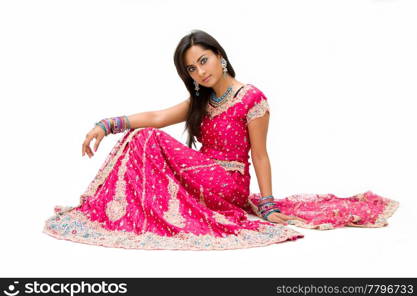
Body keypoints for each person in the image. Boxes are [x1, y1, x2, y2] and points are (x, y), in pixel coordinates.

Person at [43, 30, 398, 250]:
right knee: (143, 134)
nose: (201, 71)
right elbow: (155, 116)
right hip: (202, 173)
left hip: (229, 181)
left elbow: (260, 155)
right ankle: (123, 211)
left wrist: (270, 204)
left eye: (203, 60)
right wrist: (105, 125)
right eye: (192, 69)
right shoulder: (201, 101)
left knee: (149, 139)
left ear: (219, 56)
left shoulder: (251, 99)